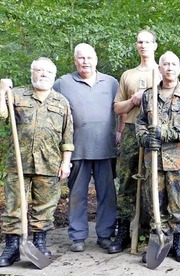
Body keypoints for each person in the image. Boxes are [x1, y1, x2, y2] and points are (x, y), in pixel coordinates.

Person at [0, 57, 74, 267]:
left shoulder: (61, 102)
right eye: (39, 70)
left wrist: (66, 163)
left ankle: (39, 244)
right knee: (14, 207)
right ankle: (12, 248)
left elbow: (68, 137)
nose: (43, 74)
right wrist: (2, 91)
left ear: (53, 76)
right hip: (17, 163)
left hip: (49, 164)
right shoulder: (16, 95)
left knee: (45, 208)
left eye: (48, 71)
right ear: (32, 73)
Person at [137, 51, 180, 263]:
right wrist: (147, 138)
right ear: (160, 68)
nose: (170, 67)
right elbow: (140, 124)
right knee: (155, 205)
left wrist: (163, 133)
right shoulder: (149, 96)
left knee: (178, 206)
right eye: (166, 64)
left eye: (174, 64)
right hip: (154, 162)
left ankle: (179, 244)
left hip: (178, 162)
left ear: (179, 68)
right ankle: (160, 242)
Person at [53, 43, 120, 253]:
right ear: (75, 60)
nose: (85, 62)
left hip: (106, 148)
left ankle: (105, 235)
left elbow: (121, 109)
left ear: (96, 59)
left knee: (107, 195)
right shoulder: (62, 83)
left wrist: (120, 131)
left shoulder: (111, 83)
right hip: (76, 150)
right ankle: (78, 236)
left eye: (89, 58)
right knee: (77, 195)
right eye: (81, 58)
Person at [110, 29, 159, 254]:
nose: (143, 45)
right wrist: (133, 99)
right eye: (140, 41)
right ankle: (123, 232)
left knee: (155, 183)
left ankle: (153, 231)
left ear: (155, 45)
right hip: (131, 131)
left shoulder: (163, 71)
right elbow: (117, 107)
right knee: (126, 182)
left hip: (155, 132)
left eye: (147, 41)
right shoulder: (128, 75)